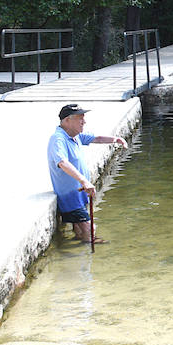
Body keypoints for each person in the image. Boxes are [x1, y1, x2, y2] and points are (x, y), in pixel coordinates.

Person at [47, 103, 128, 243]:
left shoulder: (75, 135)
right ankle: (85, 251)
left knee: (79, 228)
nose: (84, 121)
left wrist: (116, 140)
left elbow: (96, 138)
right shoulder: (58, 139)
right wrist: (84, 181)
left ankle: (80, 245)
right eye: (80, 118)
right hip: (70, 196)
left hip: (79, 193)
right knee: (90, 229)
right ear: (67, 120)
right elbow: (62, 163)